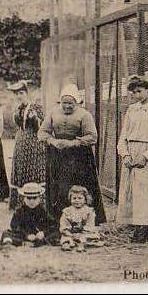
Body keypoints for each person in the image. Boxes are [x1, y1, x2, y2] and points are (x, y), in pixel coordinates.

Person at [37, 83, 105, 228]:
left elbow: (92, 136)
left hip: (79, 156)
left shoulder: (84, 115)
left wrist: (74, 143)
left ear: (77, 102)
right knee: (59, 186)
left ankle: (83, 219)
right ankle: (57, 218)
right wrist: (52, 141)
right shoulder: (53, 113)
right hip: (58, 155)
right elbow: (42, 133)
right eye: (64, 103)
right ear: (60, 102)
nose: (67, 106)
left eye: (70, 103)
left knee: (78, 185)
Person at [116, 76, 148, 243]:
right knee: (133, 190)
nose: (137, 94)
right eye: (134, 92)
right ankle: (135, 225)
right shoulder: (132, 109)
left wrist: (146, 156)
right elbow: (124, 134)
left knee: (147, 191)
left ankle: (145, 228)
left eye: (140, 91)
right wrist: (125, 154)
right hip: (132, 150)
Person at [7, 80, 46, 210]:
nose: (19, 96)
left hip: (34, 143)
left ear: (27, 93)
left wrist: (35, 119)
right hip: (21, 143)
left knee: (33, 168)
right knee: (20, 169)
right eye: (16, 93)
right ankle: (20, 203)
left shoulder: (36, 107)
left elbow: (42, 126)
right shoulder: (18, 109)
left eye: (21, 93)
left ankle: (37, 202)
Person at [0, 182, 51, 247]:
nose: (32, 201)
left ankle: (30, 243)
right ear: (24, 198)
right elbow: (14, 226)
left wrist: (43, 233)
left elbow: (52, 225)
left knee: (55, 234)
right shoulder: (19, 211)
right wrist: (26, 235)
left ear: (39, 199)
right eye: (29, 198)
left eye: (35, 198)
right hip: (24, 236)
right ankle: (22, 243)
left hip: (39, 236)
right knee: (6, 233)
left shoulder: (43, 211)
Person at [59, 185, 100, 252]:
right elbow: (64, 225)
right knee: (65, 237)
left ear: (85, 200)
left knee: (91, 236)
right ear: (70, 199)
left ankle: (81, 245)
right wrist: (70, 234)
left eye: (80, 198)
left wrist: (82, 234)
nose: (77, 200)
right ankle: (66, 244)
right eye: (74, 198)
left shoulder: (89, 211)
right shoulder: (67, 211)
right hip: (71, 233)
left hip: (85, 233)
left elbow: (90, 225)